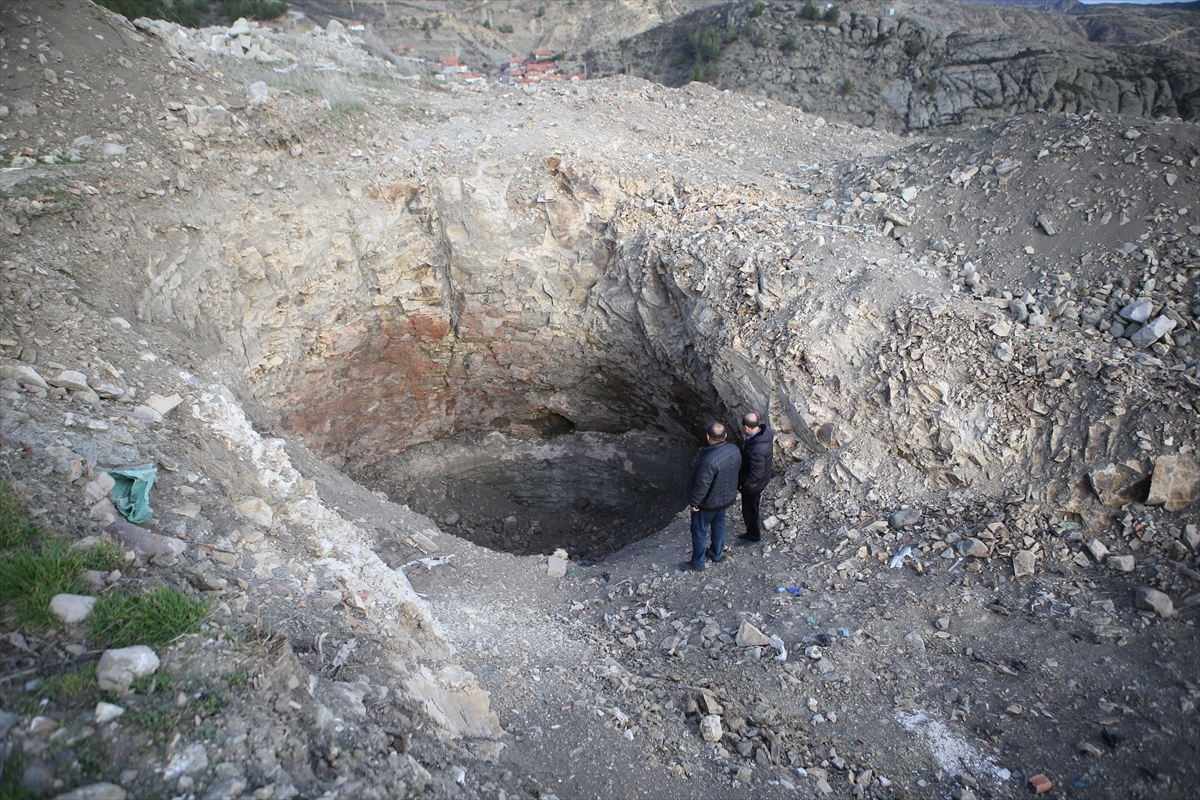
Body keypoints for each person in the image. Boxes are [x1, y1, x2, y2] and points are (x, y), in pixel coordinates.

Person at [682, 421, 742, 570]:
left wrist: (694, 502)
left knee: (699, 531)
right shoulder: (734, 449)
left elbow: (702, 486)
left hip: (708, 503)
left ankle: (697, 562)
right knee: (719, 525)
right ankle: (716, 554)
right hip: (725, 497)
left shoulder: (708, 461)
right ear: (725, 436)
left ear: (708, 437)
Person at [738, 412, 774, 543]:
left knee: (750, 510)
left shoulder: (757, 448)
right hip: (759, 480)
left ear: (746, 427)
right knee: (749, 509)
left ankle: (753, 536)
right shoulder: (762, 435)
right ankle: (750, 532)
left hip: (753, 486)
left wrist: (743, 483)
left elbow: (756, 474)